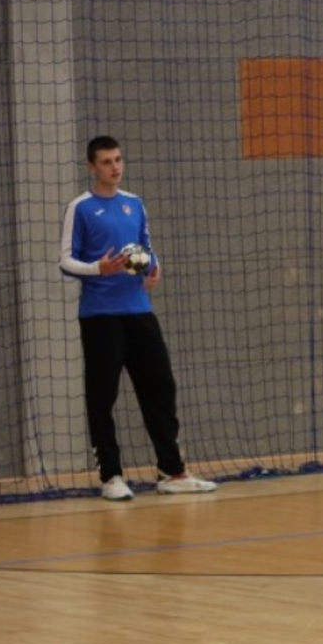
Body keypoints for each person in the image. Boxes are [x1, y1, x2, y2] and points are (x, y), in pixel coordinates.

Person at [59, 135, 218, 501]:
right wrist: (98, 268)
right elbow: (65, 261)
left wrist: (153, 266)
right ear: (92, 167)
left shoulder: (134, 203)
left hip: (139, 311)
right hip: (100, 316)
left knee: (161, 387)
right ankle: (111, 476)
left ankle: (171, 471)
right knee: (102, 396)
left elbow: (146, 246)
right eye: (106, 162)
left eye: (118, 159)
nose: (114, 167)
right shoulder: (80, 208)